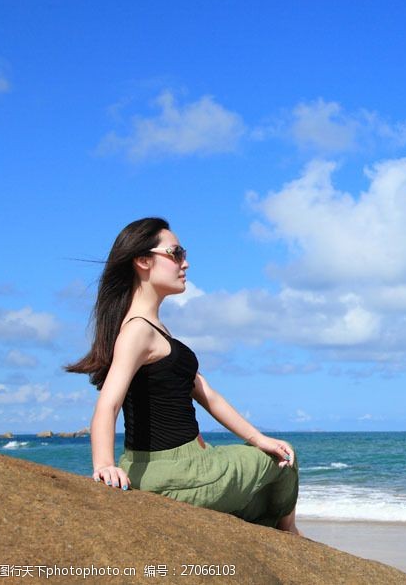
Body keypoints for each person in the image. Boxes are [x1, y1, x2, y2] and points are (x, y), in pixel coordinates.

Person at [66, 217, 300, 534]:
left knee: (258, 504)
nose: (185, 263)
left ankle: (277, 539)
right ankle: (292, 537)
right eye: (176, 253)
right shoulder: (138, 331)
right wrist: (104, 465)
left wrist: (258, 439)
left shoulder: (153, 329)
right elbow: (108, 405)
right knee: (284, 460)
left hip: (169, 466)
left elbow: (207, 393)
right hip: (176, 471)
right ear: (143, 260)